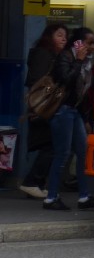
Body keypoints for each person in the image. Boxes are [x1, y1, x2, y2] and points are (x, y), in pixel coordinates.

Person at [43, 28, 94, 210]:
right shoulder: (66, 57)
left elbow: (82, 93)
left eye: (93, 43)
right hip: (62, 110)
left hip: (75, 111)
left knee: (83, 151)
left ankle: (84, 197)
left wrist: (84, 118)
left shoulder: (88, 62)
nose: (92, 47)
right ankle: (51, 197)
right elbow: (66, 80)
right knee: (62, 154)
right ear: (77, 43)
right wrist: (78, 60)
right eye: (89, 43)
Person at [18, 24, 65, 200]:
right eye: (59, 35)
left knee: (50, 145)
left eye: (65, 36)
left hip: (45, 107)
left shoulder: (52, 56)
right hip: (43, 107)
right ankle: (32, 182)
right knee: (50, 145)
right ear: (49, 37)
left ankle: (36, 183)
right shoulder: (44, 55)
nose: (63, 39)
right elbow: (39, 83)